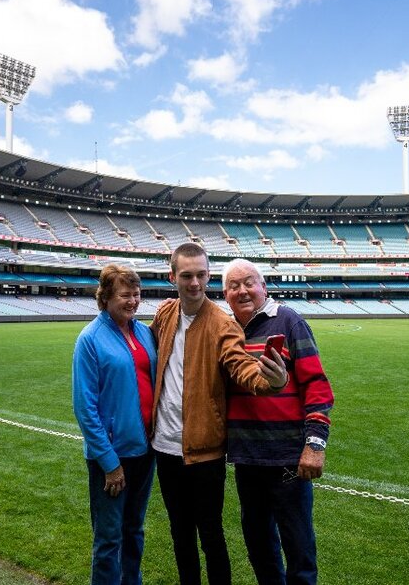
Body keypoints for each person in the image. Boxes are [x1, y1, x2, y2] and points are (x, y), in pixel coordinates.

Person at [151, 242, 289, 585]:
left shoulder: (222, 323)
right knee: (180, 535)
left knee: (211, 536)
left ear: (209, 276)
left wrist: (267, 380)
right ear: (173, 277)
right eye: (186, 276)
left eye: (200, 275)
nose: (194, 283)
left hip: (205, 452)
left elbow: (240, 363)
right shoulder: (165, 315)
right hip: (165, 449)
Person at [221, 258, 334, 585]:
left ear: (263, 287)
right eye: (233, 285)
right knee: (258, 545)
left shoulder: (287, 321)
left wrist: (315, 444)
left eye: (249, 283)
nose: (242, 290)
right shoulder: (226, 330)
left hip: (287, 458)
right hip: (246, 457)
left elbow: (317, 385)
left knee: (298, 545)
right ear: (224, 294)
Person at [73, 264, 157, 584]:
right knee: (109, 539)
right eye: (125, 295)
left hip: (145, 452)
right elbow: (85, 407)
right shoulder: (90, 339)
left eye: (137, 294)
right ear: (106, 297)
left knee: (134, 530)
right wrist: (109, 463)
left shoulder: (144, 332)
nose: (133, 301)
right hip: (112, 458)